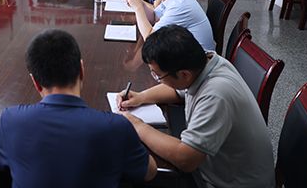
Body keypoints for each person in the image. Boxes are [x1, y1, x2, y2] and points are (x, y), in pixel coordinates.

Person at [0, 29, 157, 188]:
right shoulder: (116, 127)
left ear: (35, 82)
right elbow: (149, 173)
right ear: (81, 70)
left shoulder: (10, 120)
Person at [117, 25, 275, 188]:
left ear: (184, 74)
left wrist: (137, 125)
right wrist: (141, 97)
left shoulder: (216, 94)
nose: (157, 79)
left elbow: (186, 159)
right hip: (216, 167)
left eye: (158, 75)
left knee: (128, 177)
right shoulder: (206, 62)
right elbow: (178, 89)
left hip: (228, 183)